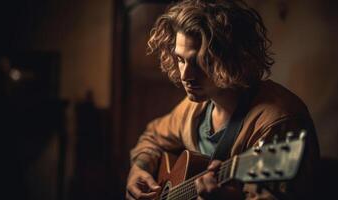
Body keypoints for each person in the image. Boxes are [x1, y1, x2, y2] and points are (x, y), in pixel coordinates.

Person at [126, 0, 320, 199]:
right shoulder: (197, 107)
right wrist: (139, 168)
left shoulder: (281, 121)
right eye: (181, 59)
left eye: (201, 61)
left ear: (232, 58)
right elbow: (153, 136)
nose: (185, 75)